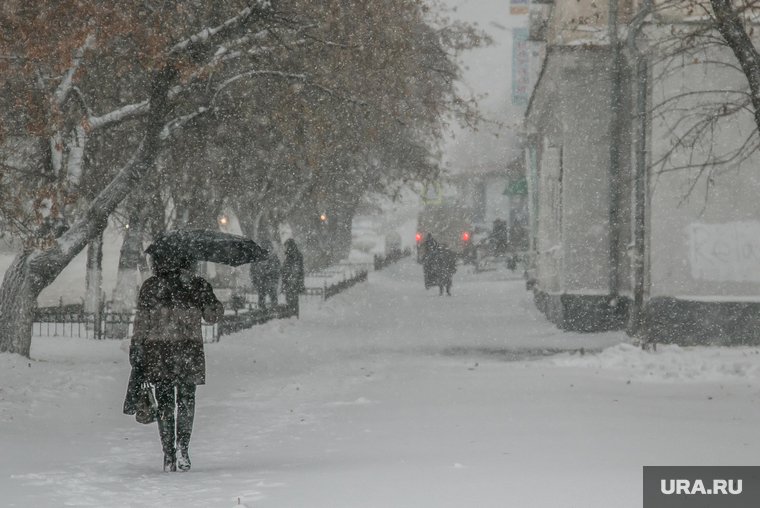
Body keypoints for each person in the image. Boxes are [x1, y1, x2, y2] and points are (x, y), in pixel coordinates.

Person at [128, 253, 224, 472]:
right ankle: (183, 448)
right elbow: (212, 316)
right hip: (188, 352)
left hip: (159, 353)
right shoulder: (197, 285)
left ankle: (168, 454)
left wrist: (137, 348)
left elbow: (141, 322)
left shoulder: (151, 286)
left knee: (165, 405)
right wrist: (213, 303)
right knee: (186, 402)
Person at [249, 239, 281, 312]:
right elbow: (278, 269)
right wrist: (275, 280)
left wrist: (255, 281)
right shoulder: (273, 257)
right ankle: (273, 312)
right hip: (270, 281)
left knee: (262, 298)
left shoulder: (258, 256)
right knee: (272, 298)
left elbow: (253, 270)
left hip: (261, 281)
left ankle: (262, 313)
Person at [281, 238, 305, 317]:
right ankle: (293, 315)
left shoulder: (293, 255)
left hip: (292, 279)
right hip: (292, 279)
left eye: (287, 246)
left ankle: (293, 315)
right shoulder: (291, 255)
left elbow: (297, 269)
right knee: (292, 299)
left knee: (292, 299)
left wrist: (288, 277)